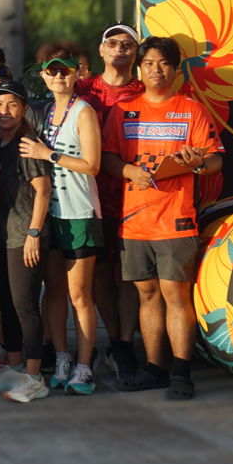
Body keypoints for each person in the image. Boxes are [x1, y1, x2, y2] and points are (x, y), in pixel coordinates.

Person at [101, 36, 222, 400]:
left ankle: (181, 372)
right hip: (134, 222)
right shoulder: (123, 110)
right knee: (147, 296)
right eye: (149, 63)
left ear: (175, 68)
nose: (156, 70)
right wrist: (127, 171)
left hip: (176, 221)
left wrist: (197, 163)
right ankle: (154, 368)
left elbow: (215, 159)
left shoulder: (192, 109)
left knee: (175, 296)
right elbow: (106, 158)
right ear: (140, 67)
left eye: (164, 63)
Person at [18, 52, 105, 398]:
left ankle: (85, 365)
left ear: (76, 75)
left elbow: (92, 165)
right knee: (52, 292)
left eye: (64, 72)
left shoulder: (84, 111)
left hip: (79, 213)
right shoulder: (42, 112)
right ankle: (63, 357)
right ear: (43, 77)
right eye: (52, 72)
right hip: (49, 214)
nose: (58, 77)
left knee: (80, 294)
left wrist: (49, 155)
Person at [0, 81, 54, 403]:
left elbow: (44, 190)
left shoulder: (26, 143)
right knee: (6, 304)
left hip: (23, 234)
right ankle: (14, 365)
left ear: (23, 109)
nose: (3, 111)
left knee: (24, 306)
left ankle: (34, 376)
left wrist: (35, 233)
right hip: (0, 234)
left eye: (11, 105)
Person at [77, 23, 144, 378]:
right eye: (112, 43)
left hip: (135, 197)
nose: (120, 48)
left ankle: (124, 344)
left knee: (129, 276)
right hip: (89, 195)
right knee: (100, 274)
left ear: (136, 52)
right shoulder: (83, 90)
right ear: (101, 50)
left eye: (128, 44)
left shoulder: (145, 90)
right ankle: (114, 340)